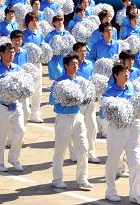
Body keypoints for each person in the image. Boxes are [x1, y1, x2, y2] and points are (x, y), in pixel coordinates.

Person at [101, 63, 140, 203]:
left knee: (136, 161)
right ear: (115, 75)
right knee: (113, 161)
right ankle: (110, 191)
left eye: (127, 72)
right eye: (123, 73)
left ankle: (136, 194)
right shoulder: (109, 93)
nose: (127, 75)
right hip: (117, 130)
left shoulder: (132, 88)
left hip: (132, 129)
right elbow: (104, 114)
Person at [49, 54, 92, 190]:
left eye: (76, 64)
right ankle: (57, 179)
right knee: (60, 150)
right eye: (72, 64)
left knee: (84, 148)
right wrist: (64, 98)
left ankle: (82, 178)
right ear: (66, 66)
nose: (75, 66)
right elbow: (51, 100)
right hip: (63, 118)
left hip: (78, 116)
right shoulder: (59, 82)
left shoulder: (79, 81)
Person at [0, 42, 26, 172]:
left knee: (20, 131)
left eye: (13, 52)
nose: (11, 54)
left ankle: (14, 158)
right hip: (1, 105)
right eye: (9, 52)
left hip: (16, 104)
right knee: (1, 135)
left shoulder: (17, 68)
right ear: (1, 53)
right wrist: (0, 90)